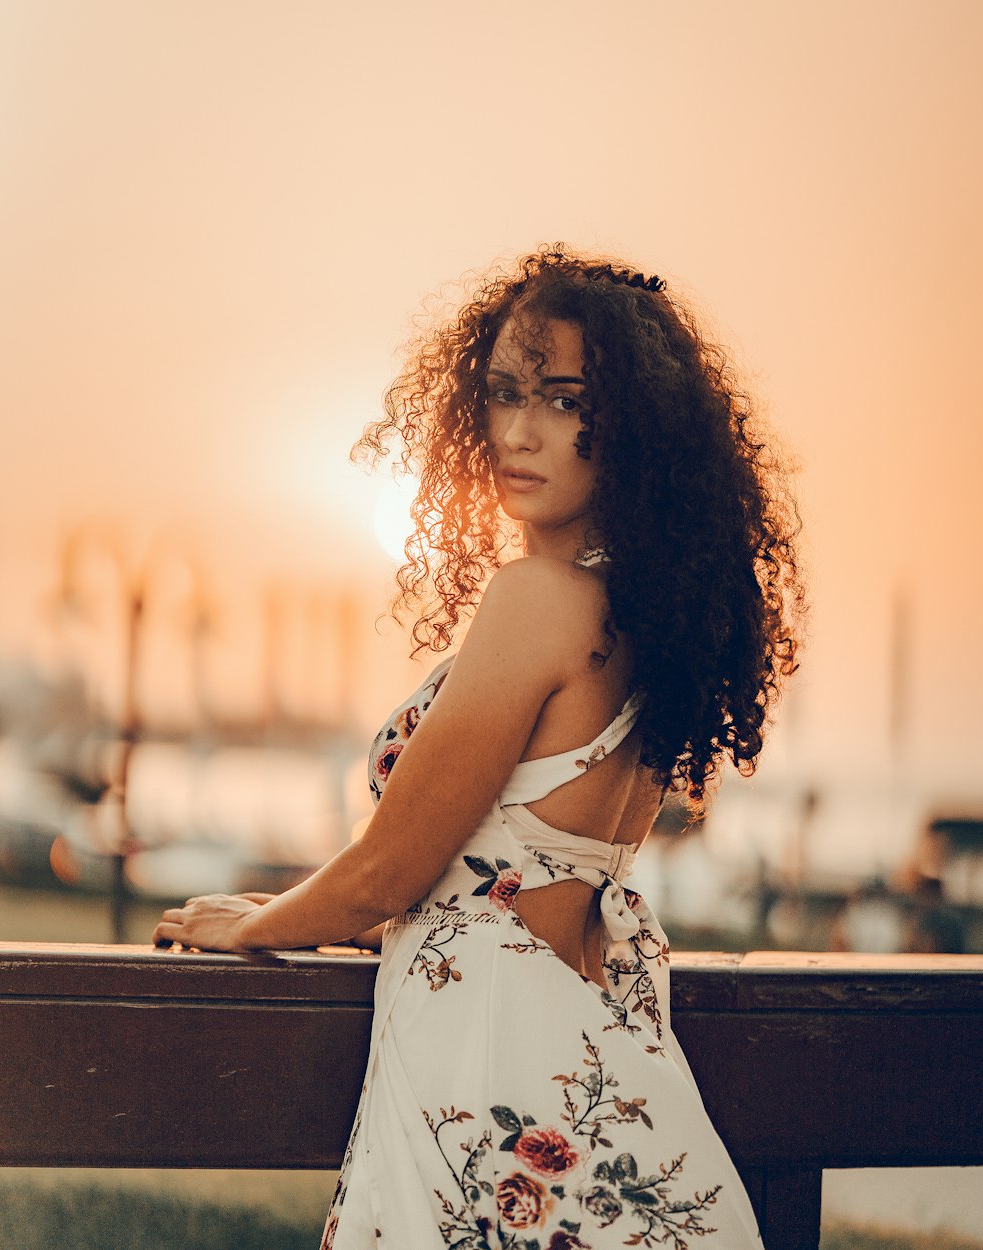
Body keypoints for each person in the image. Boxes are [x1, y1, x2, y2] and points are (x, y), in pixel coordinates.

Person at [153, 244, 807, 1248]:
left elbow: (388, 870)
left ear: (631, 423)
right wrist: (317, 914)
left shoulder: (537, 598)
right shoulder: (650, 619)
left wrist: (255, 927)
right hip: (585, 1075)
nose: (520, 428)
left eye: (563, 396)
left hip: (488, 1083)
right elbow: (497, 880)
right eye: (503, 393)